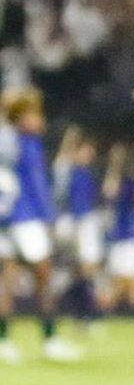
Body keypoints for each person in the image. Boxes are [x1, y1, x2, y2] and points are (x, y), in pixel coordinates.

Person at [1, 87, 75, 362]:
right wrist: (49, 217)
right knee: (44, 277)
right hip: (25, 218)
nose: (41, 119)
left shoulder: (6, 141)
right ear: (23, 117)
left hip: (5, 217)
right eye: (35, 114)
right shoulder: (26, 143)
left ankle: (4, 342)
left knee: (6, 279)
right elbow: (36, 185)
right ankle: (50, 340)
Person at [51, 126, 105, 341]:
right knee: (75, 270)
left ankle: (83, 315)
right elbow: (62, 162)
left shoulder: (88, 172)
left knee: (86, 271)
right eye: (86, 150)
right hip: (73, 223)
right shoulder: (67, 168)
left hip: (86, 222)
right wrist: (70, 138)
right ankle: (79, 314)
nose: (90, 154)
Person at [102, 144, 134, 318]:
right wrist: (115, 164)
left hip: (133, 235)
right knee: (117, 280)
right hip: (120, 236)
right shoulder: (124, 183)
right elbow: (108, 191)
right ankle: (106, 316)